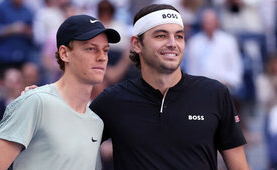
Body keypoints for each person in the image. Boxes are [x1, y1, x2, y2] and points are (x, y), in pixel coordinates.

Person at [90, 4, 249, 169]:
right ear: (136, 44)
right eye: (161, 36)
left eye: (179, 36)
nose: (173, 43)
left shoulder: (215, 93)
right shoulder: (112, 100)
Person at [0, 14, 120, 170]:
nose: (102, 57)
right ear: (64, 53)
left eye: (105, 50)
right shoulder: (35, 102)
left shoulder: (96, 122)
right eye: (91, 49)